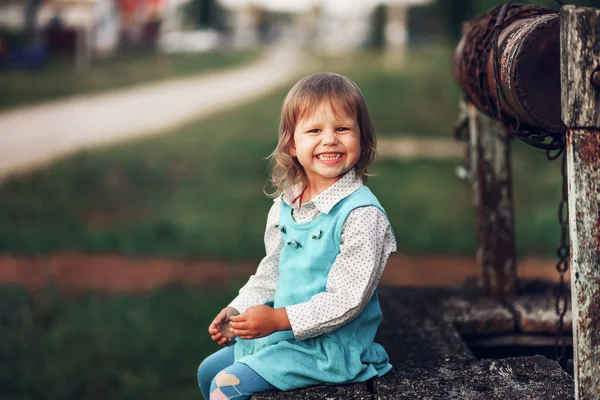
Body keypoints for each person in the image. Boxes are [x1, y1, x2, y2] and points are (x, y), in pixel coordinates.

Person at [197, 72, 397, 400]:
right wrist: (239, 309)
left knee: (225, 386)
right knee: (208, 372)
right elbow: (272, 271)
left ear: (361, 137)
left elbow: (346, 301)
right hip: (286, 338)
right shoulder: (287, 204)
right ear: (293, 143)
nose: (330, 140)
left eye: (343, 129)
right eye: (315, 130)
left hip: (330, 350)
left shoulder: (362, 215)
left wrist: (277, 318)